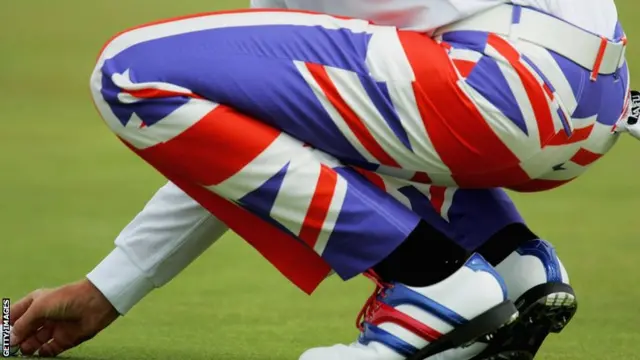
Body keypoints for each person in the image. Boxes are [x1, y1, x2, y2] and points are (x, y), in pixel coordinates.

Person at [9, 1, 634, 359]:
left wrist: (110, 286)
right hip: (589, 98)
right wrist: (108, 289)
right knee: (335, 93)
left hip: (500, 84)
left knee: (128, 72)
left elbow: (241, 120)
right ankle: (507, 263)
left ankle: (431, 284)